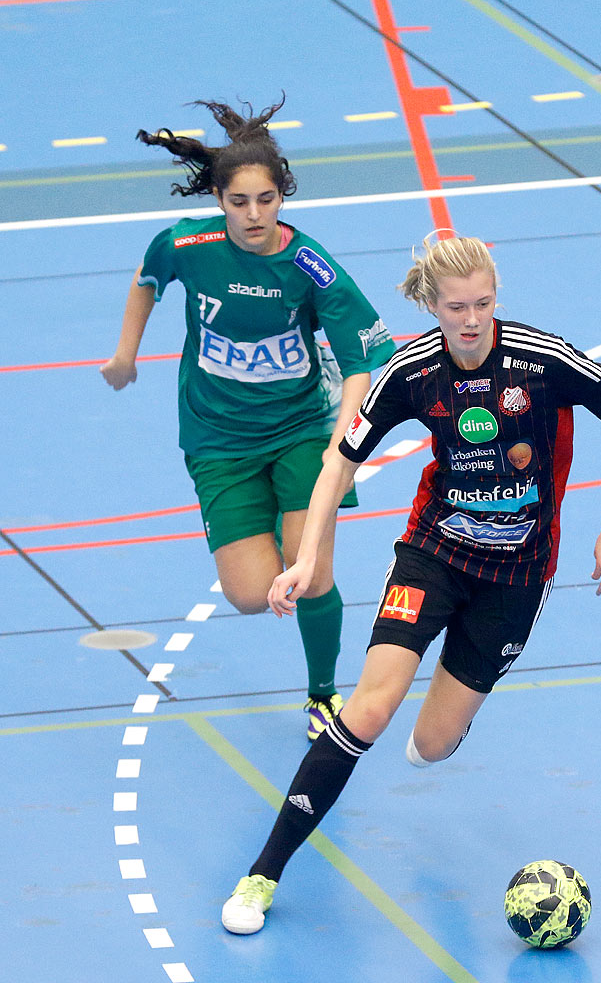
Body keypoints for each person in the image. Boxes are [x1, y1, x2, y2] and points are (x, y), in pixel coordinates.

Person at [219, 233, 601, 934]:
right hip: (434, 555)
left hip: (518, 575)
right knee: (369, 709)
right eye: (456, 307)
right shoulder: (412, 371)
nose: (471, 319)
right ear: (432, 305)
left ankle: (450, 702)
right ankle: (261, 874)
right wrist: (303, 557)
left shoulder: (541, 361)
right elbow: (340, 461)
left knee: (433, 743)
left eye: (482, 303)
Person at [101, 97, 396, 740]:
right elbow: (147, 278)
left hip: (301, 432)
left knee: (311, 572)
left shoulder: (309, 265)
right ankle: (264, 515)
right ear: (219, 198)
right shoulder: (188, 243)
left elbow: (359, 363)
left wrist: (342, 448)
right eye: (239, 202)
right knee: (249, 593)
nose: (254, 214)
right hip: (217, 438)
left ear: (282, 195)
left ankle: (323, 694)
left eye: (266, 199)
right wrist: (126, 353)